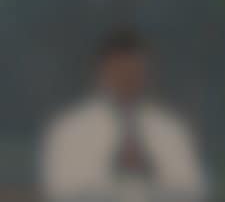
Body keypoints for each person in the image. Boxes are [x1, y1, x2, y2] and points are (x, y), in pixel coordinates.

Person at [39, 27, 206, 201]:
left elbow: (194, 191)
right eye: (120, 70)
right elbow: (60, 191)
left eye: (135, 71)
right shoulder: (70, 130)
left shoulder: (171, 130)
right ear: (101, 71)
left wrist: (150, 172)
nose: (128, 78)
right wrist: (115, 172)